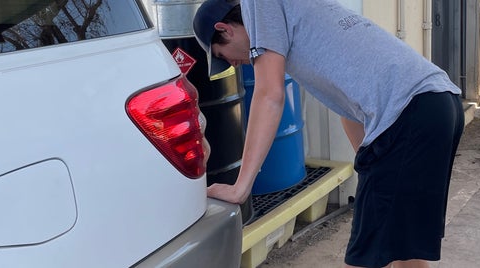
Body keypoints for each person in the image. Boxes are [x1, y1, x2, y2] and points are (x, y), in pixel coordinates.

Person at [193, 0, 465, 267]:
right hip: (438, 105)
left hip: (408, 114)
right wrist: (369, 166)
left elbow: (269, 95)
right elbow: (346, 104)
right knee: (404, 250)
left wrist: (241, 188)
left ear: (225, 29)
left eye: (221, 55)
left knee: (365, 257)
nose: (232, 64)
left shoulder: (259, 5)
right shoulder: (300, 16)